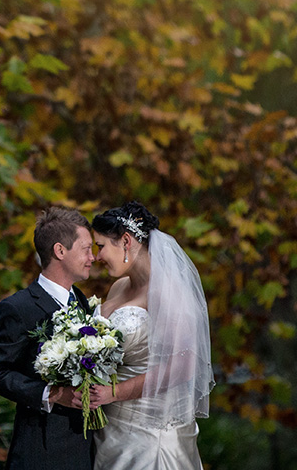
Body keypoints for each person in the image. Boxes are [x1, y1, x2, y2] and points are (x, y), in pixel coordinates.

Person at [86, 201, 214, 470]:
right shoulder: (119, 286)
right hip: (111, 428)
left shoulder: (170, 293)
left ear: (125, 240)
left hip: (150, 433)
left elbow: (182, 367)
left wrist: (115, 392)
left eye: (100, 246)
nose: (97, 257)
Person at [0, 207, 97, 470]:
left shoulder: (83, 302)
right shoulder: (17, 307)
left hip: (86, 449)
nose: (93, 257)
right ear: (60, 251)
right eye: (86, 249)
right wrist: (52, 394)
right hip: (42, 450)